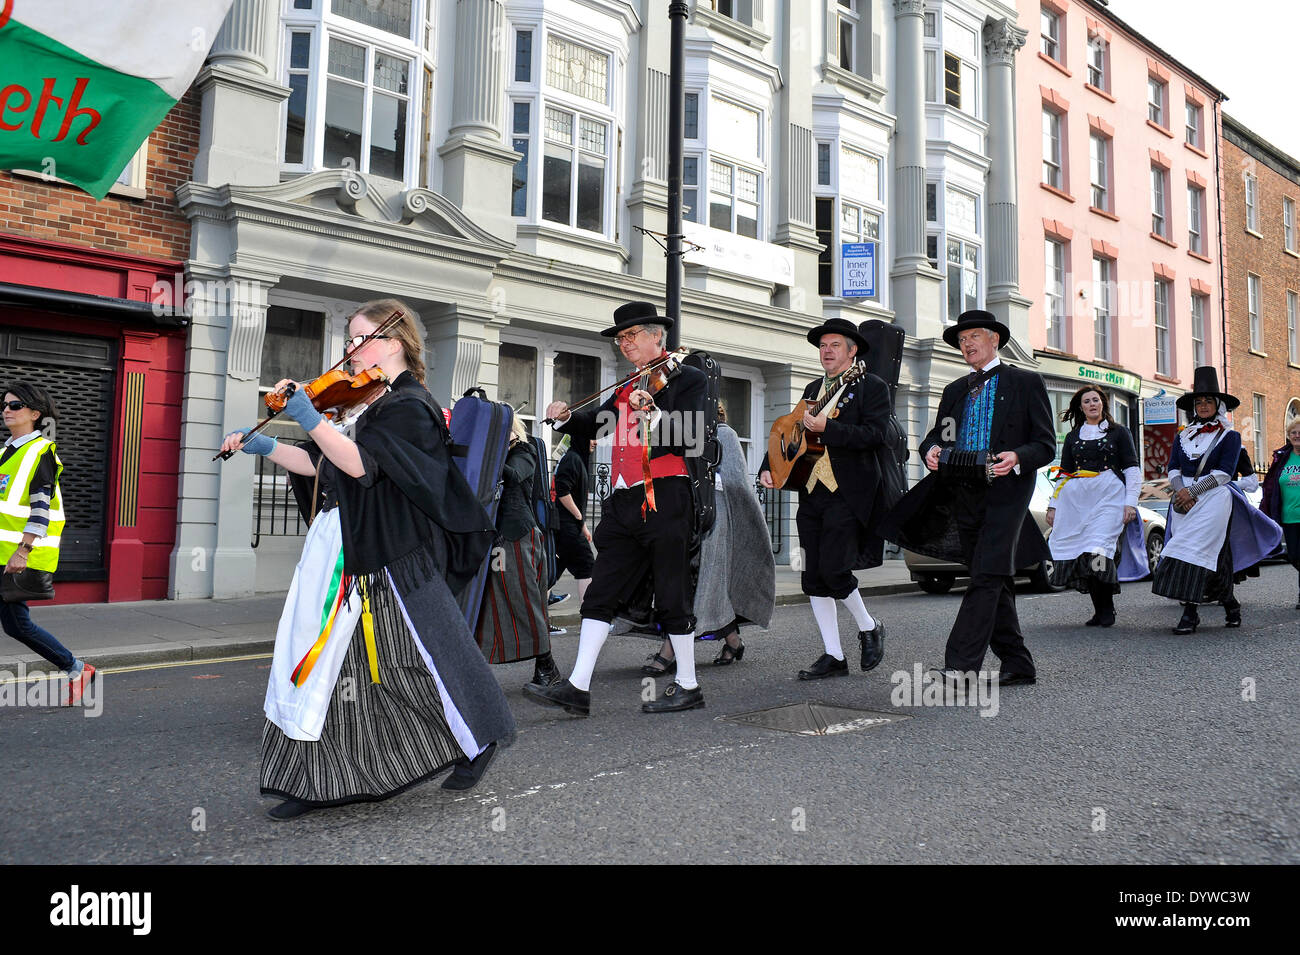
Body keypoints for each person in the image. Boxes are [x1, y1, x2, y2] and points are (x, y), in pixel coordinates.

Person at [220, 299, 515, 819]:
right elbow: (322, 467)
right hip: (351, 543)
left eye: (359, 339)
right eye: (349, 340)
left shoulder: (409, 405)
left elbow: (362, 467)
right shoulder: (366, 404)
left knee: (432, 655)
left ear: (394, 342)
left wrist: (310, 417)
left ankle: (480, 737)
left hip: (393, 550)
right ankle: (318, 780)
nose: (349, 351)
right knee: (333, 667)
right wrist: (264, 446)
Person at [524, 301, 708, 716]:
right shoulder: (627, 386)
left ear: (656, 336)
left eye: (632, 335)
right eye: (621, 338)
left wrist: (655, 411)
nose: (624, 343)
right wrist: (567, 417)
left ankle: (689, 684)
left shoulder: (687, 378)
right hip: (624, 499)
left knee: (672, 589)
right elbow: (597, 424)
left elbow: (693, 438)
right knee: (600, 591)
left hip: (666, 495)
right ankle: (577, 687)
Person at [879, 310, 1056, 686]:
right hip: (962, 493)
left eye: (974, 336)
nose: (967, 344)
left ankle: (961, 668)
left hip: (1006, 493)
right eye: (962, 340)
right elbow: (940, 438)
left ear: (995, 339)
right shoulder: (955, 390)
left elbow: (1045, 445)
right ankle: (1018, 662)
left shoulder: (1026, 382)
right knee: (990, 576)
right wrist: (930, 451)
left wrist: (1018, 457)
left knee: (987, 575)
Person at [759, 318, 891, 680]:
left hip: (849, 492)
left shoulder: (872, 387)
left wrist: (829, 429)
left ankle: (869, 626)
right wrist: (768, 466)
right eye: (823, 346)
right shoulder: (813, 387)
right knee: (813, 577)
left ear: (852, 351)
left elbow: (877, 435)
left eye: (835, 345)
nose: (827, 351)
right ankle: (834, 655)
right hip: (811, 491)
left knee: (834, 569)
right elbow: (789, 429)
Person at [642, 404, 775, 673]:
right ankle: (733, 641)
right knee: (688, 583)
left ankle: (670, 651)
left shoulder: (725, 434)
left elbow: (736, 482)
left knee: (706, 585)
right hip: (683, 513)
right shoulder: (678, 432)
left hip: (716, 517)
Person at [1151, 367, 1283, 634]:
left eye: (1208, 401)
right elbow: (1173, 468)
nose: (1202, 406)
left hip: (1213, 498)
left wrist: (1193, 491)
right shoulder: (1182, 435)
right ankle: (1229, 602)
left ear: (1218, 405)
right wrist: (1180, 492)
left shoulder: (1230, 436)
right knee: (1206, 552)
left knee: (1195, 551)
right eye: (1198, 402)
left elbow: (1224, 473)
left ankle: (1189, 614)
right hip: (1183, 500)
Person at [1, 383, 95, 705]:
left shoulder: (41, 452)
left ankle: (76, 668)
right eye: (5, 405)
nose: (6, 410)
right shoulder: (4, 452)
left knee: (18, 625)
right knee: (17, 626)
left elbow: (41, 508)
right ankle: (77, 669)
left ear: (34, 413)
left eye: (15, 405)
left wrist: (23, 551)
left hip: (15, 556)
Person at [1045, 386, 1143, 627]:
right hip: (1078, 500)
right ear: (1081, 407)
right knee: (1084, 553)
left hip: (1110, 495)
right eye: (1087, 401)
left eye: (1096, 400)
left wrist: (1130, 503)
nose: (1092, 404)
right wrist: (1053, 506)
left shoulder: (1119, 432)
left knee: (1099, 550)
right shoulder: (1073, 436)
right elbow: (1064, 474)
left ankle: (1107, 608)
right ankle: (1099, 609)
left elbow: (1132, 469)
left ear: (1103, 404)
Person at [474, 414, 558, 687]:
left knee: (524, 600)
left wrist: (490, 449)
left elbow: (512, 475)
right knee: (489, 604)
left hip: (518, 535)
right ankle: (477, 668)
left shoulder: (524, 450)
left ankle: (547, 665)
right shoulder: (490, 452)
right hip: (493, 537)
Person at [1260, 415, 1300, 609]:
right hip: (1289, 516)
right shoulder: (1283, 458)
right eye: (1294, 432)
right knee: (1293, 556)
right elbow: (1271, 486)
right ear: (1288, 436)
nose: (1297, 435)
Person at [552, 436, 597, 608]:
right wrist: (579, 517)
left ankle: (540, 620)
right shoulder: (572, 459)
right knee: (586, 565)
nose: (595, 442)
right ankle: (590, 615)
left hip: (567, 526)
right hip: (568, 527)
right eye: (591, 438)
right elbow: (563, 491)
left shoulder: (575, 459)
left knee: (553, 572)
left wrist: (583, 526)